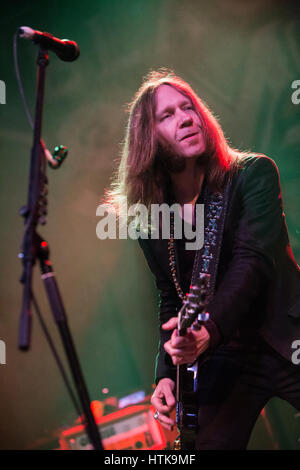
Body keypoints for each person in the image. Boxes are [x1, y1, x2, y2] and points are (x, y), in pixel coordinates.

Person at [104, 69, 300, 449]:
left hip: (284, 333)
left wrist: (207, 333)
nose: (186, 119)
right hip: (224, 357)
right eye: (168, 116)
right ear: (149, 138)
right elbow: (171, 294)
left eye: (188, 107)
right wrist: (165, 373)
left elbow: (252, 260)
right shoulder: (151, 216)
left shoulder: (252, 174)